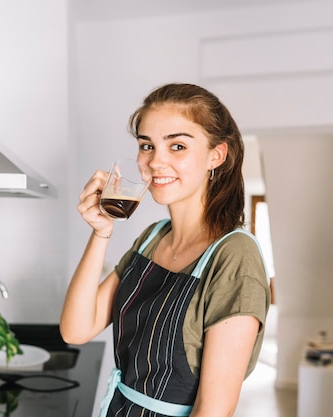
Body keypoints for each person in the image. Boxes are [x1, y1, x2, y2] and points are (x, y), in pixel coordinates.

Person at [60, 83, 271, 417]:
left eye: (177, 145)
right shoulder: (152, 237)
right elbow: (76, 330)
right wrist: (100, 234)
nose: (156, 161)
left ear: (216, 154)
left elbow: (212, 411)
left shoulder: (235, 256)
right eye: (147, 145)